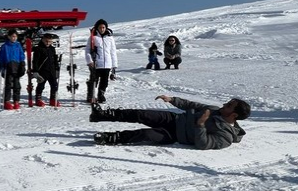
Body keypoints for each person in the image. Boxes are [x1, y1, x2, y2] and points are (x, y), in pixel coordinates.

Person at [90, 95, 250, 150]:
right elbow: (192, 105)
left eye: (228, 105)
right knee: (141, 114)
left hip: (175, 135)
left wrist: (200, 125)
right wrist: (173, 100)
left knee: (146, 134)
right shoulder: (214, 109)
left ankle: (110, 138)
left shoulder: (226, 137)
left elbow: (203, 144)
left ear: (234, 115)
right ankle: (102, 115)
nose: (224, 105)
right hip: (174, 119)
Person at [85, 19, 118, 103]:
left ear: (106, 28)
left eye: (103, 27)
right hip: (96, 63)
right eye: (100, 27)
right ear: (97, 28)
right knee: (93, 80)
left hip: (107, 64)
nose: (102, 29)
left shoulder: (110, 38)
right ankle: (90, 95)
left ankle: (101, 95)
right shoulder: (93, 37)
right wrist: (89, 61)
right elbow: (87, 50)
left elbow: (113, 52)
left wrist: (114, 65)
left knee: (104, 81)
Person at [0, 28, 26, 110]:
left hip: (17, 67)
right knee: (8, 85)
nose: (14, 38)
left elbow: (22, 55)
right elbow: (1, 58)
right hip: (8, 67)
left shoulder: (18, 45)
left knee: (17, 85)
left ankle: (16, 101)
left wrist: (22, 64)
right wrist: (2, 68)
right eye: (12, 36)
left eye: (15, 36)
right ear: (9, 37)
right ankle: (7, 101)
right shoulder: (4, 46)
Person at [32, 33, 60, 107]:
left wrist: (57, 68)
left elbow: (55, 60)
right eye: (46, 41)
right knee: (41, 85)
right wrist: (35, 71)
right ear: (43, 40)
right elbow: (35, 61)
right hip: (42, 70)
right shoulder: (38, 49)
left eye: (49, 41)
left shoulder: (52, 49)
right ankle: (38, 99)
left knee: (54, 85)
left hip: (52, 70)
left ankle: (53, 99)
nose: (48, 43)